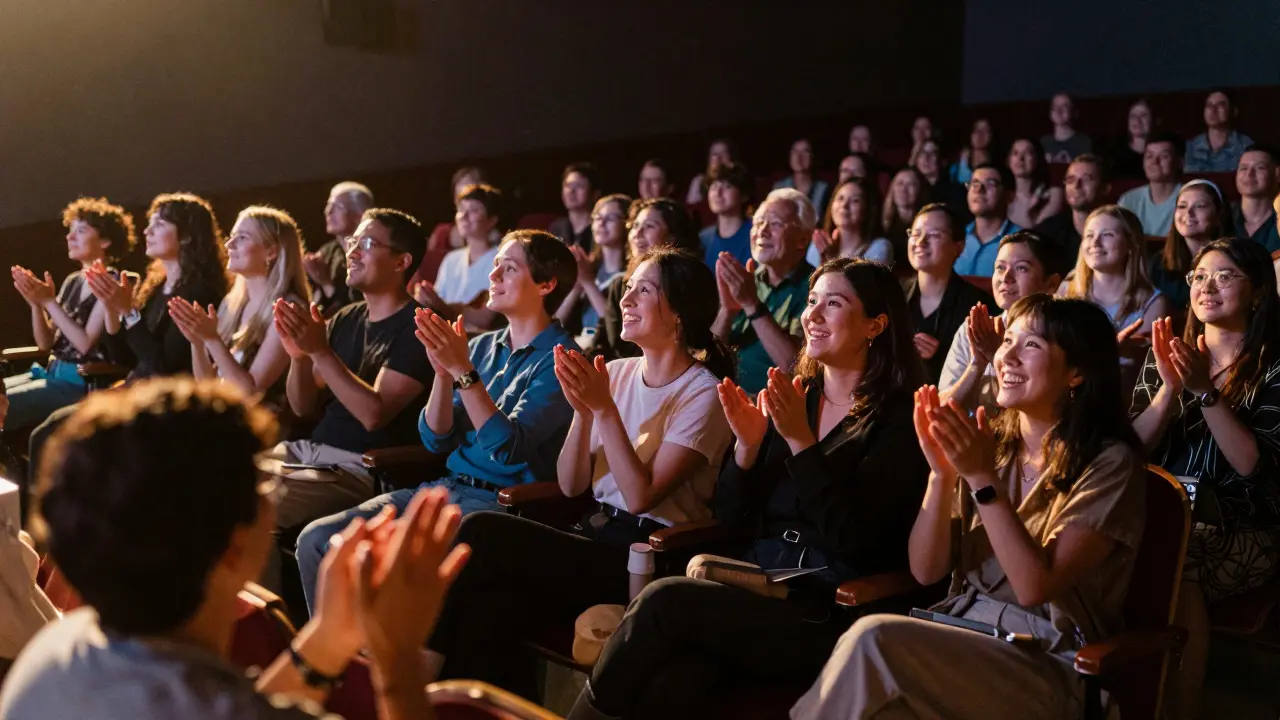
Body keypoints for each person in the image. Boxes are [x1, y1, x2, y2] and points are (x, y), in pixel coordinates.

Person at [566, 258, 931, 720]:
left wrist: (801, 443)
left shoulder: (899, 421)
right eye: (812, 300)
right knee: (672, 682)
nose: (813, 315)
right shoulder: (798, 397)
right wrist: (747, 448)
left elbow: (854, 539)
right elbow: (732, 516)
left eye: (834, 304)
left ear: (875, 325)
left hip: (823, 607)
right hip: (755, 585)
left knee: (663, 600)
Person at [0, 377, 469, 720]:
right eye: (264, 483)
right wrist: (398, 658)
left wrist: (329, 636)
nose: (271, 496)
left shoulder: (55, 652)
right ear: (232, 546)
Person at [794, 295, 1147, 720]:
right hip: (960, 627)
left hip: (1046, 660)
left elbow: (1034, 588)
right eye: (1008, 341)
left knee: (874, 636)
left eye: (1031, 345)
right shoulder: (991, 445)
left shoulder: (1109, 463)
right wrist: (941, 475)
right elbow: (927, 570)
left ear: (1076, 372)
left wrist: (982, 480)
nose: (1007, 357)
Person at [423, 247, 735, 697]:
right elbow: (571, 485)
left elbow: (640, 497)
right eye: (628, 287)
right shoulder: (618, 372)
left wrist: (603, 410)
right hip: (591, 534)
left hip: (644, 556)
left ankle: (416, 680)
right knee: (488, 602)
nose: (625, 299)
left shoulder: (703, 393)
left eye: (644, 291)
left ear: (680, 315)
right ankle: (458, 702)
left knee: (481, 532)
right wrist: (584, 414)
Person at [295, 230, 578, 614]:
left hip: (499, 509)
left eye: (509, 268)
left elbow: (506, 448)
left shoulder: (561, 360)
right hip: (445, 488)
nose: (493, 276)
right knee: (317, 539)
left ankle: (375, 649)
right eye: (495, 265)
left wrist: (461, 371)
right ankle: (334, 650)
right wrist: (443, 376)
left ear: (546, 284)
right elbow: (435, 439)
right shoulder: (480, 346)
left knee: (382, 564)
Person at [1130, 238, 1280, 716]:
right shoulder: (1166, 356)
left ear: (1257, 292)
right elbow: (1130, 453)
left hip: (1245, 525)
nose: (1206, 287)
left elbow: (1253, 467)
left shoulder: (1274, 366)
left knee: (1179, 564)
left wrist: (1205, 393)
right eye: (1198, 277)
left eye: (1224, 276)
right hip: (1164, 514)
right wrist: (1169, 391)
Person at [265, 208, 431, 532]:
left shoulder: (419, 328)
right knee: (216, 476)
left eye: (366, 244)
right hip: (308, 453)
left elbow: (373, 415)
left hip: (358, 468)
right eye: (352, 242)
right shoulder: (347, 317)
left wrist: (320, 351)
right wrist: (299, 358)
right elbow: (302, 406)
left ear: (401, 262)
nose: (351, 252)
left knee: (249, 505)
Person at [5, 198, 136, 432]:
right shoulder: (73, 281)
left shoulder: (112, 283)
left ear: (105, 241)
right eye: (70, 230)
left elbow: (84, 344)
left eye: (81, 231)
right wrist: (37, 305)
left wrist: (49, 301)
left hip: (81, 383)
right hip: (50, 373)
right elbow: (46, 343)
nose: (70, 237)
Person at [167, 206, 312, 401]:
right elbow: (208, 387)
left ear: (271, 251)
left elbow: (251, 392)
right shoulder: (233, 303)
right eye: (232, 236)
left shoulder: (288, 308)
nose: (229, 244)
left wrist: (212, 339)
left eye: (242, 238)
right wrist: (198, 342)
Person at [939, 231, 1066, 416]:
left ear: (1052, 283)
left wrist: (996, 356)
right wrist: (976, 365)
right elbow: (941, 410)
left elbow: (1042, 411)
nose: (1006, 277)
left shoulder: (1060, 335)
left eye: (1021, 268)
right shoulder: (976, 329)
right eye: (1000, 268)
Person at [714, 189, 816, 393]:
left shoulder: (815, 287)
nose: (762, 231)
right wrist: (727, 311)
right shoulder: (746, 279)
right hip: (727, 394)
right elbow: (706, 357)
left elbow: (795, 367)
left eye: (775, 224)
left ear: (803, 240)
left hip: (775, 403)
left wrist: (752, 305)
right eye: (758, 223)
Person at [1060, 205, 1171, 384]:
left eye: (1107, 235)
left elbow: (1145, 369)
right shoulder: (1066, 291)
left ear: (1130, 244)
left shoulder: (1153, 302)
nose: (1095, 243)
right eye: (1089, 235)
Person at [591, 198, 700, 361]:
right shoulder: (619, 285)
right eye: (635, 225)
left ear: (671, 237)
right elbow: (602, 342)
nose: (637, 233)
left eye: (649, 226)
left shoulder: (686, 285)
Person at [902, 204, 997, 383]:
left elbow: (989, 370)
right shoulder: (892, 293)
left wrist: (941, 356)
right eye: (915, 233)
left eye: (934, 235)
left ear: (958, 247)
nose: (921, 241)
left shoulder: (978, 307)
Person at [413, 183, 503, 333]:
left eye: (473, 210)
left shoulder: (501, 260)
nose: (464, 216)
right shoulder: (451, 259)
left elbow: (485, 318)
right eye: (461, 210)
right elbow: (437, 304)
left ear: (492, 220)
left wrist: (442, 306)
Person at [557, 194, 632, 338]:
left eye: (611, 218)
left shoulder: (632, 274)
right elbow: (557, 322)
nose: (601, 223)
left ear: (627, 224)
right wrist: (577, 285)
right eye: (597, 217)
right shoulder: (589, 267)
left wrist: (587, 282)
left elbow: (616, 327)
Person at [1148, 179, 1226, 310]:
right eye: (1182, 206)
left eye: (1200, 206)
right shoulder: (1158, 263)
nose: (1188, 213)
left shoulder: (1233, 261)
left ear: (1219, 215)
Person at [305, 181, 373, 317]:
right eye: (328, 205)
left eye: (338, 207)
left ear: (359, 215)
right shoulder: (327, 251)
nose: (328, 211)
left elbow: (359, 308)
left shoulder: (371, 251)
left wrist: (325, 282)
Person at [1032, 153, 1110, 258]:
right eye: (1070, 179)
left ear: (1105, 188)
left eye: (1086, 179)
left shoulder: (1119, 232)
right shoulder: (1047, 233)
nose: (1076, 185)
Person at [807, 177, 892, 267]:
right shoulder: (819, 245)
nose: (844, 205)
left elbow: (866, 276)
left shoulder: (879, 247)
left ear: (868, 209)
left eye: (855, 201)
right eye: (840, 198)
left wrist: (830, 259)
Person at [954, 163, 1021, 277]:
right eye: (974, 183)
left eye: (990, 184)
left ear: (1009, 195)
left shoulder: (1020, 242)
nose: (979, 190)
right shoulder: (956, 236)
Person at [1118, 131, 1186, 236]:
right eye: (1149, 156)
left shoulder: (1188, 199)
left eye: (1163, 156)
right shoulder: (1129, 200)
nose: (1155, 162)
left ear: (1180, 162)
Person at [698, 162, 755, 267]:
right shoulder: (704, 238)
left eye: (727, 186)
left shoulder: (756, 234)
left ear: (744, 195)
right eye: (714, 186)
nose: (718, 193)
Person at [1185, 89, 1254, 173]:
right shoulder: (1190, 147)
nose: (1213, 110)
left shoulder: (1245, 146)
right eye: (1209, 105)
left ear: (1233, 111)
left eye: (1220, 105)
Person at [1007, 136, 1064, 229]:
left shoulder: (1049, 198)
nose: (1020, 158)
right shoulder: (1002, 198)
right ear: (1009, 160)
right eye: (1015, 153)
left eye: (1027, 153)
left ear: (1037, 159)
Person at [1231, 144, 1280, 252]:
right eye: (1243, 168)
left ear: (1277, 174)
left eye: (1260, 168)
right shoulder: (1222, 216)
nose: (1249, 174)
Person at [882, 167, 930, 270]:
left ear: (920, 190)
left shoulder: (928, 224)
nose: (903, 189)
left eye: (911, 184)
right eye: (899, 184)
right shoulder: (880, 223)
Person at [549, 162, 601, 253]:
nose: (571, 191)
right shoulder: (556, 228)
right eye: (567, 185)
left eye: (579, 186)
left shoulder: (600, 228)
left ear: (595, 194)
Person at [773, 138, 830, 221]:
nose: (799, 157)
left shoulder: (823, 189)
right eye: (795, 152)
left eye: (805, 152)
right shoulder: (780, 188)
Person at [914, 137, 968, 220]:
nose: (926, 158)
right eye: (922, 153)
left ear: (943, 161)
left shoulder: (956, 192)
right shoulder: (913, 189)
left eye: (933, 153)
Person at [1040, 92, 1093, 163]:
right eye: (1055, 106)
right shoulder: (1044, 143)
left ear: (1074, 112)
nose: (1058, 110)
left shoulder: (1084, 142)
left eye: (1065, 106)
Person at [1109, 98, 1155, 180]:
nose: (1137, 120)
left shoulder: (1161, 154)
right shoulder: (1115, 154)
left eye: (1143, 115)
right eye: (1133, 116)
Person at [685, 139, 735, 206]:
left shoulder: (737, 179)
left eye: (723, 153)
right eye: (714, 154)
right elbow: (691, 206)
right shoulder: (699, 181)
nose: (718, 158)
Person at [950, 118, 995, 186]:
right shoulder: (956, 162)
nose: (980, 134)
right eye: (976, 130)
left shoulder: (996, 164)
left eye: (985, 130)